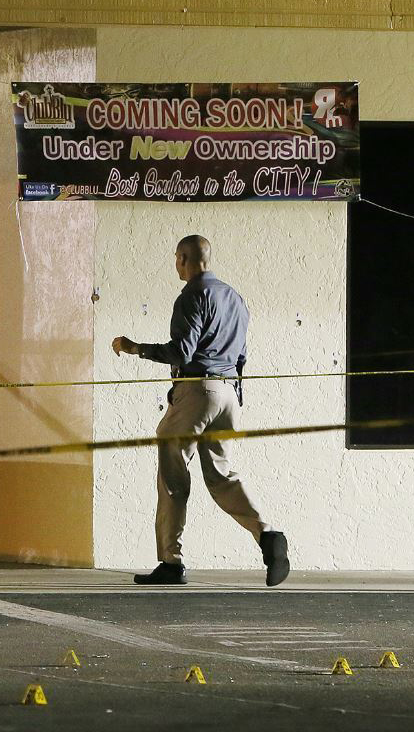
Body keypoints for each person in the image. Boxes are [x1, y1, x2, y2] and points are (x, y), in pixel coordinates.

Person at [111, 234, 290, 587]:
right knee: (222, 477)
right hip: (228, 394)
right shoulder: (236, 299)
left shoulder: (193, 295)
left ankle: (171, 562)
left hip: (197, 390)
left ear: (183, 259)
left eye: (176, 260)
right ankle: (267, 535)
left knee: (172, 479)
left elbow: (181, 352)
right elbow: (240, 358)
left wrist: (135, 348)